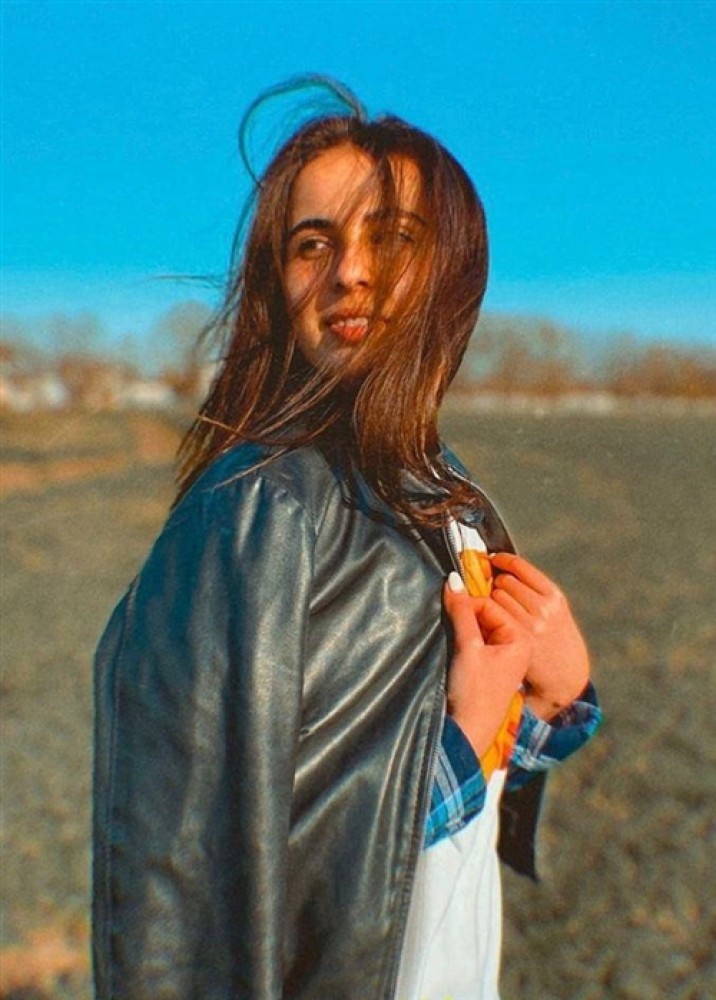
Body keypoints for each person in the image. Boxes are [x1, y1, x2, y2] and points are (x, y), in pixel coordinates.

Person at [93, 77, 601, 1000]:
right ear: (276, 283)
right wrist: (463, 731)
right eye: (312, 244)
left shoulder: (446, 494)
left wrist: (549, 702)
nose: (350, 273)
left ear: (451, 270)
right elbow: (205, 876)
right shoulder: (257, 513)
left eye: (392, 238)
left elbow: (433, 803)